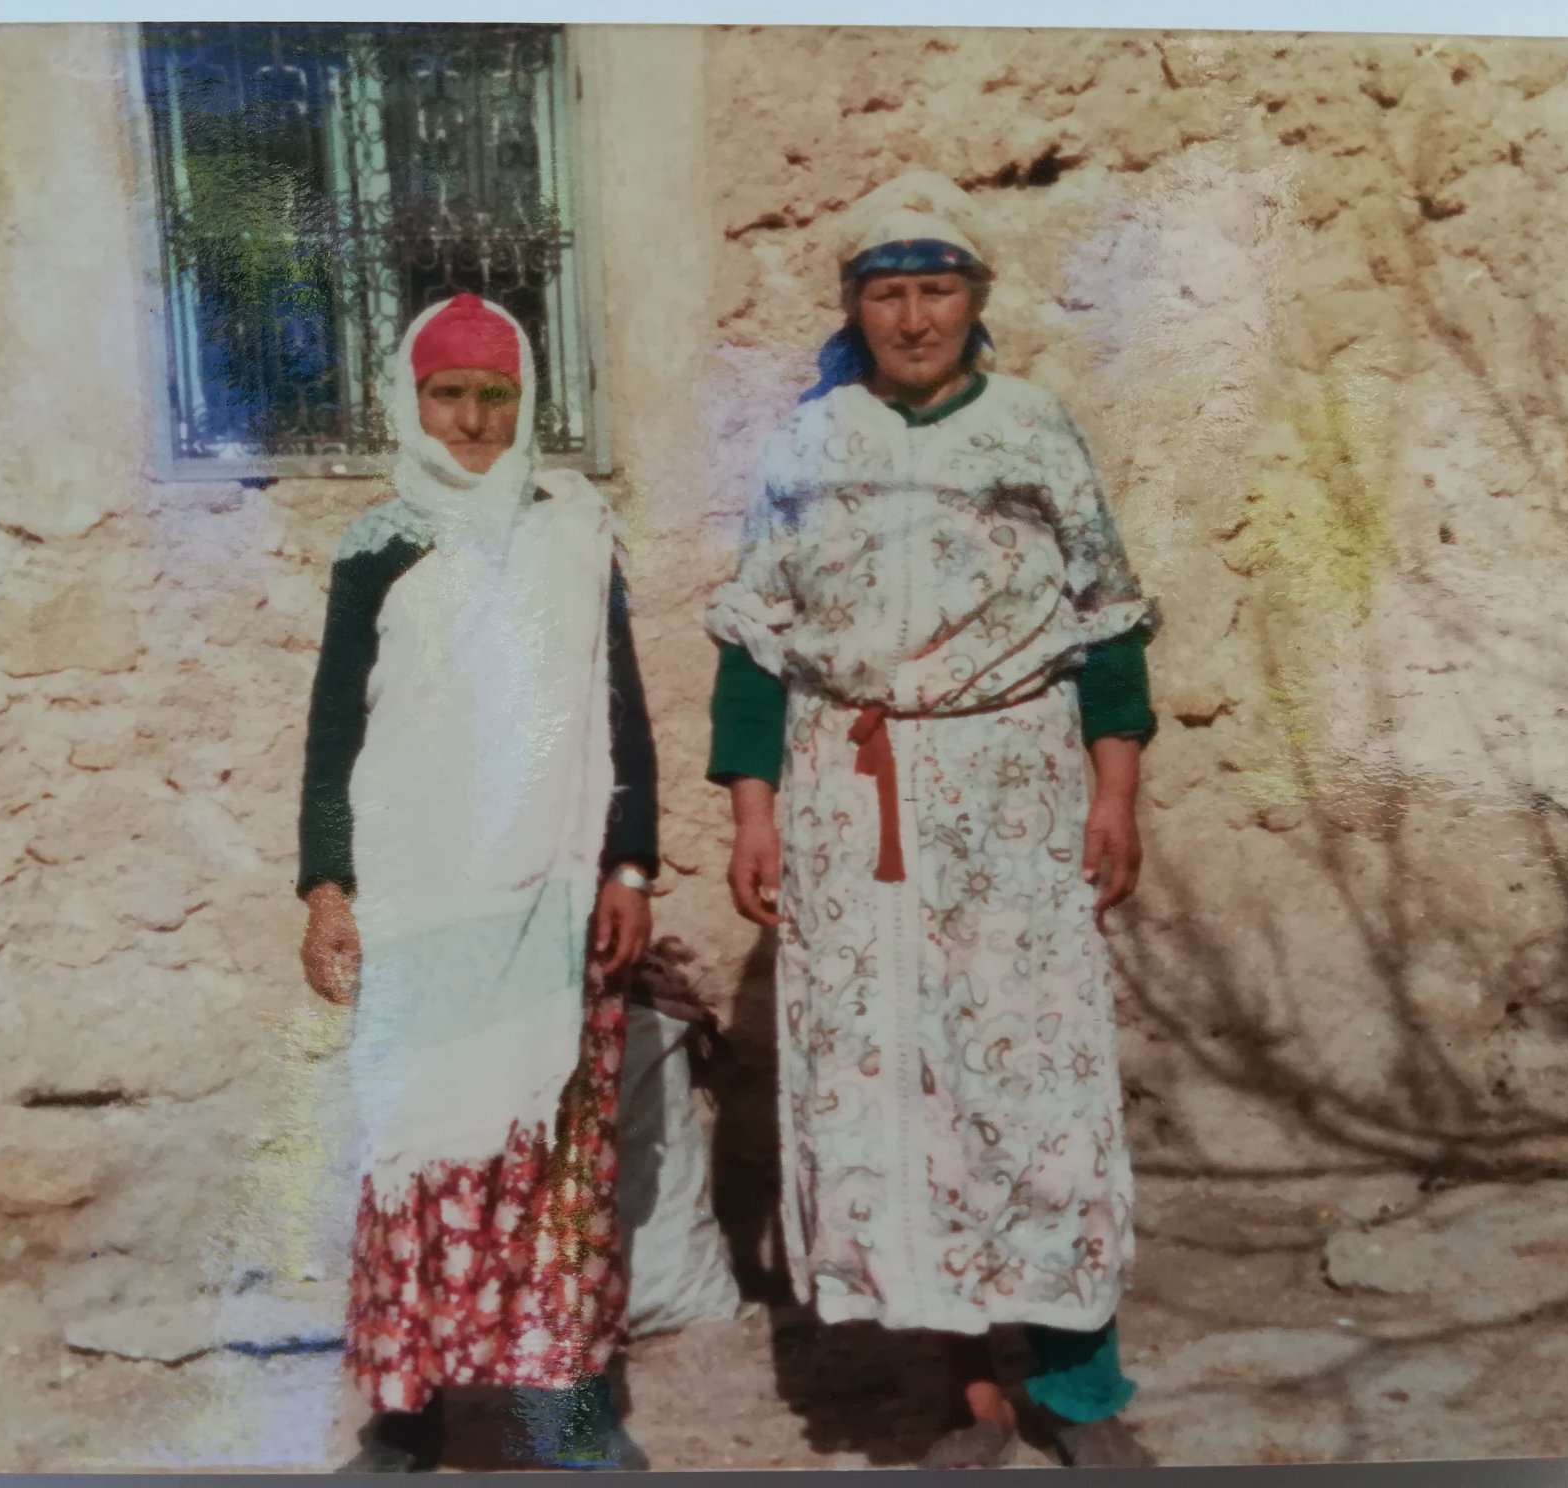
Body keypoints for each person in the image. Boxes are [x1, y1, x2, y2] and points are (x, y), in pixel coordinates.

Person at [704, 170, 1160, 1470]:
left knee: (1035, 1086)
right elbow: (752, 644)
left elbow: (1109, 623)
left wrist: (1114, 792)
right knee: (896, 1092)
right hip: (850, 807)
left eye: (938, 290)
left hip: (1010, 797)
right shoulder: (809, 446)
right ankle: (965, 1394)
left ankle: (1078, 1391)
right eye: (888, 293)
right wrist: (753, 814)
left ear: (977, 298)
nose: (913, 319)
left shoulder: (1032, 431)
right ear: (855, 308)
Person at [297, 292, 659, 1472]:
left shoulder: (574, 536)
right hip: (424, 897)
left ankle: (570, 1413)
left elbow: (619, 710)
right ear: (411, 403)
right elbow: (334, 731)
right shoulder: (377, 548)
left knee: (556, 1160)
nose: (469, 421)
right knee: (418, 1140)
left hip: (549, 895)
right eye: (446, 395)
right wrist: (327, 887)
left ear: (526, 401)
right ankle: (407, 1418)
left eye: (494, 397)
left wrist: (629, 863)